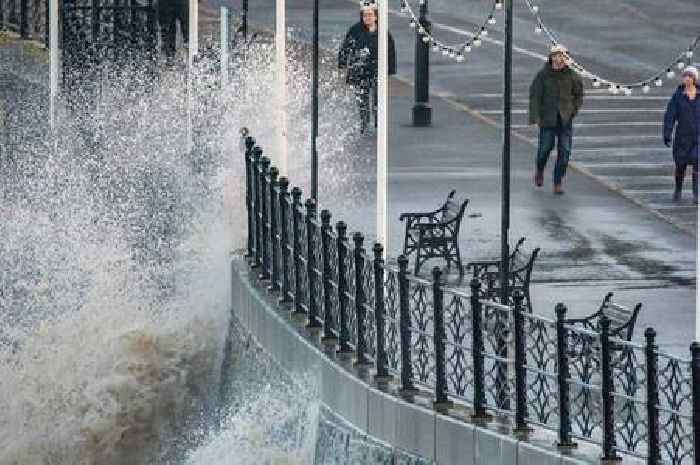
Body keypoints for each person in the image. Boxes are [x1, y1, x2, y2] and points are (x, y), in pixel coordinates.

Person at [529, 45, 584, 195]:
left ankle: (557, 182)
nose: (560, 59)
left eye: (563, 56)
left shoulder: (572, 76)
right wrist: (535, 116)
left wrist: (573, 110)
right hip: (547, 118)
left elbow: (579, 95)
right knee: (544, 149)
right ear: (552, 57)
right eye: (557, 56)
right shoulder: (543, 75)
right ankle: (539, 171)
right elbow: (535, 96)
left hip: (565, 119)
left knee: (565, 152)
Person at [338, 1, 397, 132]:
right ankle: (364, 122)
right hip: (360, 70)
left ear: (376, 16)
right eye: (365, 15)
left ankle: (378, 122)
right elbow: (346, 47)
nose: (368, 18)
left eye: (370, 15)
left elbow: (390, 50)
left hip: (377, 70)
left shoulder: (383, 31)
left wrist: (391, 69)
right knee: (362, 98)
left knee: (378, 98)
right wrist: (342, 63)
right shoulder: (355, 30)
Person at [663, 65, 699, 204]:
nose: (687, 78)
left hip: (697, 138)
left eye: (690, 76)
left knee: (697, 161)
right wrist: (667, 133)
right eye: (685, 76)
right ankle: (678, 190)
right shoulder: (678, 97)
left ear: (695, 79)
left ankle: (696, 194)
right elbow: (670, 116)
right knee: (680, 165)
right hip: (682, 138)